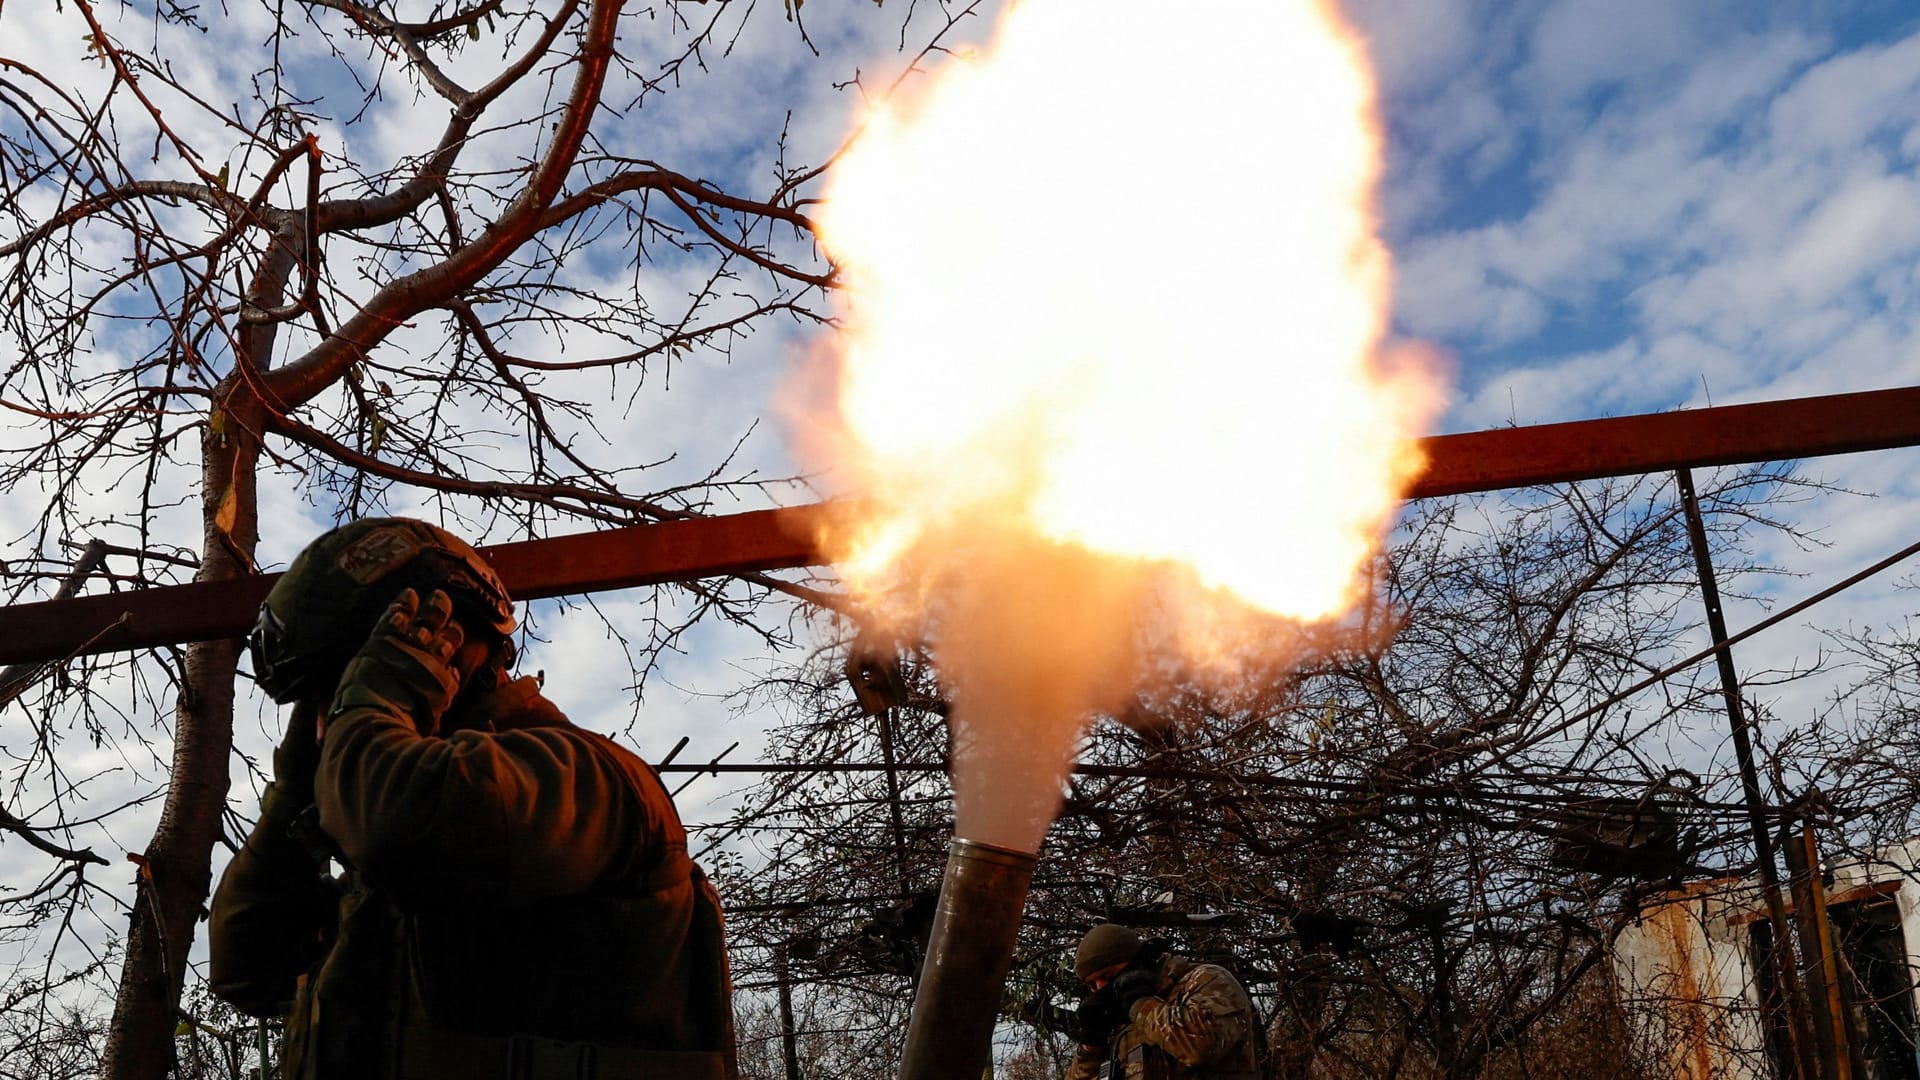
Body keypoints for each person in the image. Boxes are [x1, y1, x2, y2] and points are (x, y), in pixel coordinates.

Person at [209, 517, 737, 1080]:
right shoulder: (398, 851)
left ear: (436, 646)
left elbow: (400, 827)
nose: (324, 727)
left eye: (340, 693)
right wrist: (293, 793)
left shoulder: (582, 777)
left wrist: (377, 705)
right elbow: (247, 969)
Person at [1068, 923, 1261, 1080]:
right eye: (1092, 985)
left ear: (1137, 963)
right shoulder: (1116, 1024)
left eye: (1108, 977)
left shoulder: (1204, 980)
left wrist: (1141, 1004)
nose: (1101, 989)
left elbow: (1200, 1047)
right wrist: (1090, 1048)